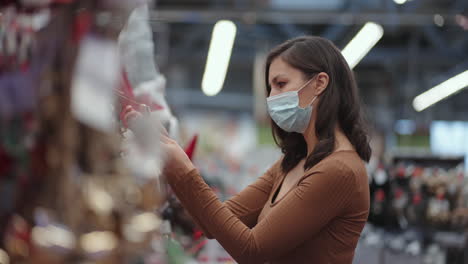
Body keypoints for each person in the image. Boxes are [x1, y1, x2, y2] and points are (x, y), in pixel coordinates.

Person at [128, 36, 372, 264]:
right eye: (270, 88)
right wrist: (169, 156)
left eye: (281, 84)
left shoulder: (339, 171)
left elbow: (251, 250)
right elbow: (216, 223)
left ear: (319, 83)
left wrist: (183, 171)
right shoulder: (292, 163)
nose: (272, 98)